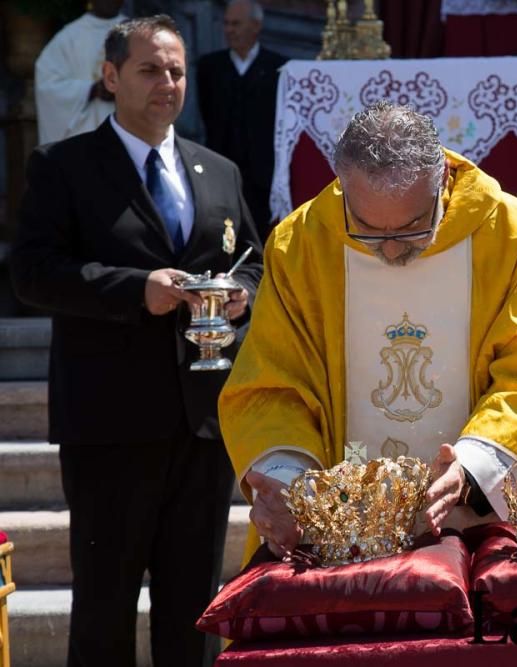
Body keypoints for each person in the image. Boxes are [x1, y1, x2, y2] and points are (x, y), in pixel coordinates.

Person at [218, 101, 517, 560]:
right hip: (343, 527)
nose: (390, 250)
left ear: (441, 181)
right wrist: (291, 484)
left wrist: (472, 469)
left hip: (480, 522)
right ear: (344, 191)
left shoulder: (512, 235)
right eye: (368, 230)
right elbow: (272, 384)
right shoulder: (302, 245)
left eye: (412, 228)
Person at [12, 16, 263, 667]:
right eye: (151, 69)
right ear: (111, 76)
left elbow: (255, 261)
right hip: (109, 426)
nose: (168, 83)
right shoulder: (64, 166)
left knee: (195, 608)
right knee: (105, 608)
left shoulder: (219, 170)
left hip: (202, 426)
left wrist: (243, 296)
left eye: (177, 70)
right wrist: (134, 290)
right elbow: (33, 273)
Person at [197, 0, 288, 241]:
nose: (229, 30)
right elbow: (207, 114)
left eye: (236, 24)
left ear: (256, 26)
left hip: (262, 175)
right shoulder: (209, 67)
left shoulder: (279, 67)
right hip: (219, 169)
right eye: (226, 24)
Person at [34, 0, 126, 145]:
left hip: (127, 130)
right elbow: (47, 85)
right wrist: (91, 90)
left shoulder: (138, 36)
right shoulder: (68, 37)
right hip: (85, 136)